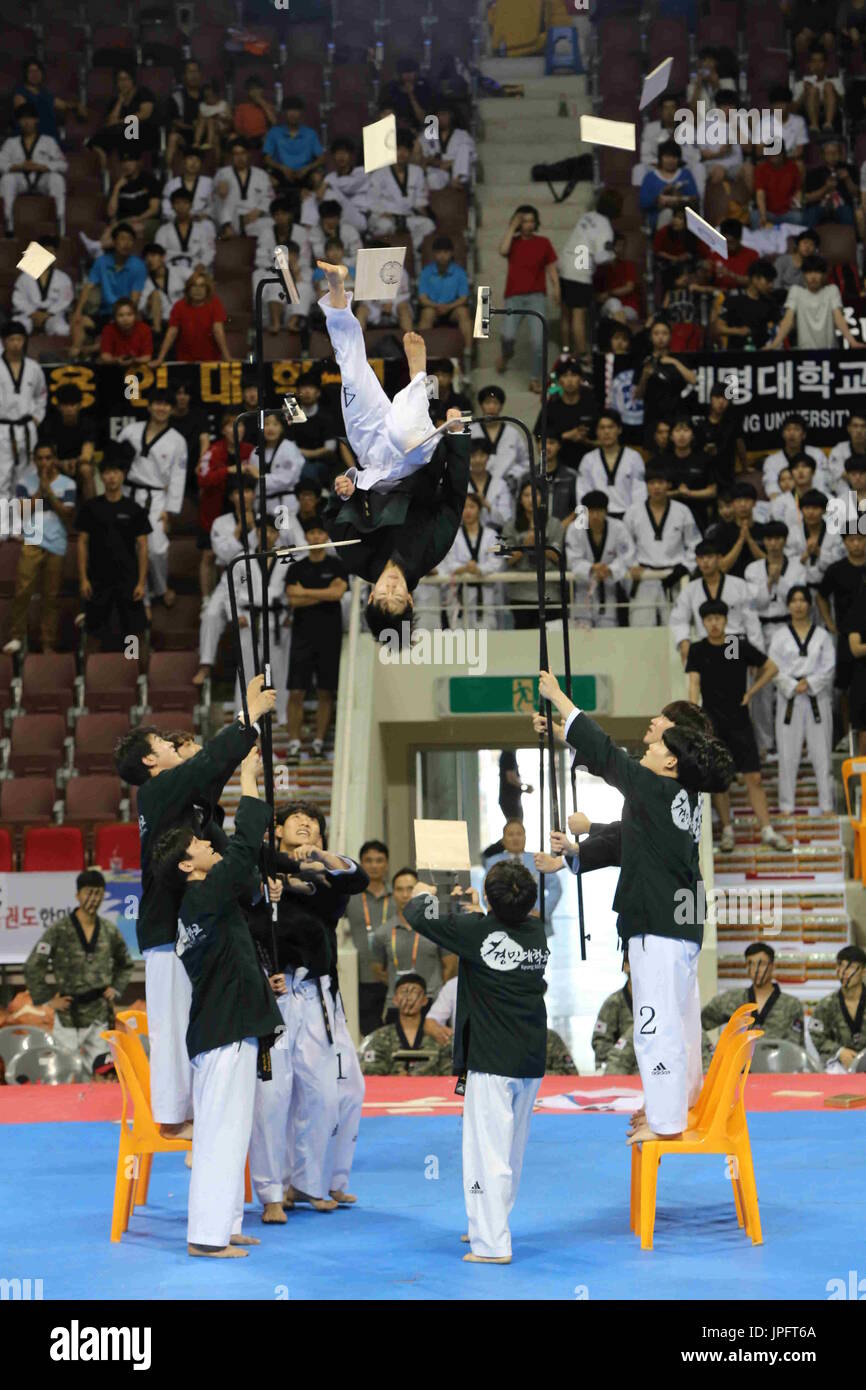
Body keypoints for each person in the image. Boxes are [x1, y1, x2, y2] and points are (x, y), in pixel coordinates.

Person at [538, 669, 734, 1144]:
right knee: (681, 1022)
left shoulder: (655, 787)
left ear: (672, 758)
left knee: (654, 1027)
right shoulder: (683, 794)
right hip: (681, 924)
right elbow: (634, 836)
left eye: (659, 740)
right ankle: (679, 1103)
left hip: (659, 925)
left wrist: (561, 700)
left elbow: (608, 755)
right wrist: (579, 852)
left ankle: (666, 1122)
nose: (647, 743)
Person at [116, 675, 275, 1140]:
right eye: (163, 742)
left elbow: (208, 779)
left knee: (191, 1017)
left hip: (187, 926)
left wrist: (248, 741)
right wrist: (247, 716)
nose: (171, 744)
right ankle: (170, 1117)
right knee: (169, 1021)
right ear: (150, 759)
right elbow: (204, 767)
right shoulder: (156, 791)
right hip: (166, 930)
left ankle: (196, 1106)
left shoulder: (177, 797)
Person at [154, 746, 282, 1258]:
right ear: (189, 865)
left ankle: (224, 1224)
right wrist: (249, 780)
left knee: (229, 1132)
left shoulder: (201, 904)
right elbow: (247, 847)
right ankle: (206, 1238)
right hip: (225, 1031)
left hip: (224, 1027)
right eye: (199, 843)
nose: (208, 843)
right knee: (222, 1135)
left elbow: (243, 875)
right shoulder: (204, 897)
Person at [316, 261, 470, 637]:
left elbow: (333, 512)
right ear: (411, 600)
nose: (390, 589)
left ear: (369, 597)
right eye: (397, 597)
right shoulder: (430, 552)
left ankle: (337, 292)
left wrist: (345, 486)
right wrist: (458, 437)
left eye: (382, 596)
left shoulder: (356, 556)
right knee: (405, 433)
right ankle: (418, 374)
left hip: (369, 455)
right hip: (413, 460)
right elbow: (454, 498)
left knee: (350, 372)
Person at [404, 865, 549, 1263]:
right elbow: (490, 930)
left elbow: (416, 913)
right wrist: (474, 911)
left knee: (487, 1151)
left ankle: (492, 1244)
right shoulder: (535, 932)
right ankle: (491, 1223)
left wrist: (424, 891)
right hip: (529, 1056)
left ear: (489, 898)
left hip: (491, 1058)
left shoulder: (477, 933)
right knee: (510, 1151)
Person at [261, 800, 367, 1211]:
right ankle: (288, 1186)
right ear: (277, 831)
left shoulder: (326, 879)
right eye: (296, 819)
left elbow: (354, 879)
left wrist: (320, 858)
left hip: (324, 997)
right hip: (283, 993)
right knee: (287, 1095)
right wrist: (278, 880)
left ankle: (327, 1178)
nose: (305, 823)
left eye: (312, 822)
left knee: (347, 1091)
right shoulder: (263, 875)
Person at [686, 599, 791, 851]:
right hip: (712, 722)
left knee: (753, 776)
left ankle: (767, 829)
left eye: (718, 619)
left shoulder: (734, 644)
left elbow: (771, 668)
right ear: (703, 622)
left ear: (725, 620)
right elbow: (694, 684)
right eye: (709, 619)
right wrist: (693, 718)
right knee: (721, 779)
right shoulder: (698, 649)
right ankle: (727, 830)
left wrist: (752, 691)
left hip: (740, 720)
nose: (714, 624)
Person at [23, 869, 132, 1073]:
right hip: (68, 1013)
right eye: (88, 892)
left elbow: (125, 963)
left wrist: (116, 988)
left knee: (101, 1072)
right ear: (77, 895)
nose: (93, 898)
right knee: (66, 1072)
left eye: (98, 893)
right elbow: (32, 966)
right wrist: (48, 1000)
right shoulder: (60, 930)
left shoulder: (109, 930)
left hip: (99, 1013)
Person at [768, 585, 836, 815]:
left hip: (817, 697)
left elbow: (829, 666)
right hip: (790, 699)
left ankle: (827, 805)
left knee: (822, 753)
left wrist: (810, 683)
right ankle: (786, 806)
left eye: (802, 600)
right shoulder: (779, 636)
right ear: (788, 606)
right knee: (787, 755)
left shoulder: (822, 635)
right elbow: (773, 668)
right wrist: (792, 684)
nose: (798, 605)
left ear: (809, 604)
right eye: (794, 600)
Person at [77, 447, 150, 659]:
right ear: (101, 476)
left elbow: (143, 546)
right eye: (107, 472)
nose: (112, 477)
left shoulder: (134, 509)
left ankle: (133, 670)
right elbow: (82, 543)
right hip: (97, 580)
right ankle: (92, 671)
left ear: (123, 475)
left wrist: (141, 582)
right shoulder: (91, 508)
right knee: (94, 629)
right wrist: (83, 579)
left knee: (132, 630)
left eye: (116, 472)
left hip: (128, 579)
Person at [3, 440, 75, 655]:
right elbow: (22, 513)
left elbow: (67, 514)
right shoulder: (25, 483)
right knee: (23, 590)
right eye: (40, 458)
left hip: (57, 541)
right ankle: (17, 637)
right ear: (34, 460)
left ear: (54, 459)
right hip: (33, 538)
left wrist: (49, 493)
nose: (44, 462)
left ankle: (47, 644)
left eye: (48, 457)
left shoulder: (68, 483)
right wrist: (40, 492)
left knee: (51, 596)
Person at [285, 521, 348, 761]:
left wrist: (306, 593)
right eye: (311, 531)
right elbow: (293, 599)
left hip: (329, 636)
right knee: (296, 691)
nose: (315, 535)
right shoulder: (297, 568)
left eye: (319, 531)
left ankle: (319, 742)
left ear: (326, 535)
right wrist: (323, 595)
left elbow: (337, 594)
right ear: (307, 536)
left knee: (325, 691)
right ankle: (293, 743)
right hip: (302, 635)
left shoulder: (337, 565)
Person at [120, 388, 188, 605]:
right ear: (148, 406)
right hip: (127, 493)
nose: (161, 408)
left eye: (166, 404)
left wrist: (169, 510)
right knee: (128, 545)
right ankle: (141, 592)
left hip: (156, 498)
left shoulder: (177, 441)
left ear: (172, 409)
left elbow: (178, 478)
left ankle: (160, 587)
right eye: (157, 404)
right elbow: (115, 460)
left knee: (156, 548)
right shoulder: (131, 431)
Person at [372, 868, 458, 1013]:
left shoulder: (436, 927)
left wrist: (430, 991)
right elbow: (379, 971)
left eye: (410, 889)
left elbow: (450, 967)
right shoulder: (382, 932)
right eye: (399, 889)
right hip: (397, 1004)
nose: (405, 895)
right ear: (393, 893)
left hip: (432, 1003)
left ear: (419, 892)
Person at [625, 466, 700, 627]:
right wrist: (632, 565)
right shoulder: (633, 512)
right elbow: (625, 545)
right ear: (646, 485)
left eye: (660, 482)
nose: (656, 487)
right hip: (645, 575)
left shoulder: (682, 511)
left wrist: (686, 567)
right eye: (652, 483)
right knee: (640, 628)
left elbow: (695, 544)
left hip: (674, 576)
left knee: (678, 629)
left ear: (668, 485)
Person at [496, 205, 560, 393]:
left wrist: (556, 287)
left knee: (539, 341)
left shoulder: (544, 242)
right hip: (513, 296)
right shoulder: (513, 242)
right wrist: (512, 226)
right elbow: (502, 250)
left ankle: (536, 379)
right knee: (507, 336)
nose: (528, 225)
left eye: (531, 221)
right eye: (524, 221)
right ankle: (506, 356)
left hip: (536, 297)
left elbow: (551, 267)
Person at [670, 538, 763, 664]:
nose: (705, 562)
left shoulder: (739, 585)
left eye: (709, 557)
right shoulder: (690, 590)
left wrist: (757, 654)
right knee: (706, 682)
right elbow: (678, 620)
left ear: (719, 558)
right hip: (706, 641)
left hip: (733, 640)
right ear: (697, 561)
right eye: (701, 558)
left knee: (733, 681)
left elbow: (751, 621)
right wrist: (683, 641)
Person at [702, 943, 805, 1045]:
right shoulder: (731, 1000)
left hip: (776, 1060)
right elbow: (695, 1025)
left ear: (772, 966)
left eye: (762, 964)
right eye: (751, 964)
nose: (756, 970)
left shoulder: (791, 1005)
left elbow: (797, 1048)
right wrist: (710, 1053)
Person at [69, 225, 147, 359]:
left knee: (115, 332)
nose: (126, 244)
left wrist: (125, 316)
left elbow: (134, 298)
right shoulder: (101, 262)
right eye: (122, 239)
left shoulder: (139, 266)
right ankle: (75, 358)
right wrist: (78, 312)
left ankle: (92, 350)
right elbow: (88, 287)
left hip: (124, 314)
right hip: (104, 312)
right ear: (114, 242)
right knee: (78, 322)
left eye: (130, 240)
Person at [557, 190, 618, 361]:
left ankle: (566, 351)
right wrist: (613, 257)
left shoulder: (588, 216)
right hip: (579, 268)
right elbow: (600, 256)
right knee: (578, 314)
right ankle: (583, 354)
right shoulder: (605, 227)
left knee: (565, 313)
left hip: (565, 262)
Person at [500, 476, 565, 630]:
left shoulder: (554, 524)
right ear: (520, 500)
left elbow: (557, 556)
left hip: (550, 593)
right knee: (524, 646)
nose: (531, 500)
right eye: (526, 495)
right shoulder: (510, 526)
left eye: (535, 495)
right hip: (520, 594)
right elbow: (507, 560)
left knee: (552, 644)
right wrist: (524, 546)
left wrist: (540, 544)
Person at [343, 840, 392, 1037]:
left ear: (386, 864)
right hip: (363, 977)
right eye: (368, 860)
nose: (374, 865)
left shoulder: (397, 895)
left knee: (392, 1031)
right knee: (368, 1031)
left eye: (379, 860)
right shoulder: (350, 896)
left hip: (393, 974)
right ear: (361, 864)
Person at [566, 489, 634, 629]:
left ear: (606, 511)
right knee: (581, 637)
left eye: (599, 511)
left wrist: (610, 569)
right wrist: (592, 568)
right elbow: (572, 559)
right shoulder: (574, 529)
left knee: (608, 633)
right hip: (583, 591)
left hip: (608, 590)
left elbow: (627, 556)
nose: (595, 516)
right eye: (591, 511)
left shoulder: (618, 528)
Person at [360, 974, 453, 1074]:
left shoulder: (439, 1036)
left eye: (415, 992)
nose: (408, 998)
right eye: (403, 992)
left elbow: (455, 1076)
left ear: (425, 1001)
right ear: (395, 1000)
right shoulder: (379, 1038)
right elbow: (371, 1075)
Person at [765, 254, 860, 350]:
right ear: (803, 274)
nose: (813, 276)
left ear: (824, 275)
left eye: (817, 272)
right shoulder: (796, 291)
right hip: (805, 352)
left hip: (831, 351)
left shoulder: (832, 290)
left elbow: (838, 318)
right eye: (809, 272)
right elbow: (788, 320)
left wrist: (853, 342)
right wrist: (774, 345)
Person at [440, 491, 505, 630]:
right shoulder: (453, 536)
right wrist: (465, 568)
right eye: (464, 507)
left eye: (472, 507)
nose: (467, 511)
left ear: (479, 509)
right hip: (460, 594)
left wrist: (478, 569)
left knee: (487, 639)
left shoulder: (491, 535)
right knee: (460, 641)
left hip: (484, 594)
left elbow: (496, 562)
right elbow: (448, 562)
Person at [0, 101, 66, 236]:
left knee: (57, 179)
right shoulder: (11, 143)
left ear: (36, 120)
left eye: (30, 118)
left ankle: (59, 219)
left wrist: (43, 166)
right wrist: (19, 166)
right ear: (19, 122)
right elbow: (1, 163)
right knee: (6, 179)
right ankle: (9, 223)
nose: (27, 122)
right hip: (20, 179)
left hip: (42, 179)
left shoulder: (48, 142)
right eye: (23, 119)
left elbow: (63, 165)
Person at [481, 818, 563, 925]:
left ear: (525, 837)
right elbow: (486, 891)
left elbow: (555, 888)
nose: (515, 838)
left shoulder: (538, 859)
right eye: (510, 834)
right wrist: (499, 912)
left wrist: (541, 911)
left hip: (534, 920)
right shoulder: (493, 862)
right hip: (502, 922)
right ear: (503, 840)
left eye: (519, 834)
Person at [0, 322, 46, 499]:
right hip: (2, 429)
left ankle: (29, 526)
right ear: (4, 341)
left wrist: (36, 418)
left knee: (28, 478)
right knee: (2, 477)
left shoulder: (34, 367)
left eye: (19, 339)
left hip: (27, 428)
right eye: (12, 339)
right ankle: (3, 525)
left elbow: (41, 396)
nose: (16, 343)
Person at [633, 318, 697, 445]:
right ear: (651, 337)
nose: (660, 337)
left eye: (664, 333)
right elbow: (637, 396)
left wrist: (674, 362)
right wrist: (645, 376)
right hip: (653, 415)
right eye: (656, 333)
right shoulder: (644, 362)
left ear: (670, 336)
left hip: (676, 414)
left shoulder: (679, 358)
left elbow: (693, 380)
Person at [577, 409, 646, 521]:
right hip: (597, 519)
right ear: (597, 432)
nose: (606, 432)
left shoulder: (634, 457)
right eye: (602, 428)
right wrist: (583, 523)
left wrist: (637, 522)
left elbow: (640, 493)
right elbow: (582, 493)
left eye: (611, 427)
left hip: (627, 517)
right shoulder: (588, 460)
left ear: (619, 429)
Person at [152, 269, 230, 367]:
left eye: (202, 286)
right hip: (185, 362)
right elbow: (171, 333)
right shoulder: (179, 306)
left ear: (208, 289)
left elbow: (218, 331)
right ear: (188, 288)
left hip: (211, 361)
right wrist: (160, 359)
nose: (198, 290)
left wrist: (227, 357)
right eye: (194, 286)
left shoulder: (215, 304)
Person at [87, 67, 159, 171]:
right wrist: (120, 101)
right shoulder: (115, 100)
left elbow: (144, 114)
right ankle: (104, 167)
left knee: (130, 127)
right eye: (120, 80)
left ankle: (129, 165)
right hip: (122, 134)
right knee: (100, 138)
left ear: (133, 81)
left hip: (144, 131)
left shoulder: (143, 93)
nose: (124, 83)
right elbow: (111, 122)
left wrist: (121, 121)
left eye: (126, 79)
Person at [809, 945, 866, 1071]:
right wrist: (839, 1051)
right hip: (838, 1066)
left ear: (863, 971)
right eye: (840, 965)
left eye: (850, 967)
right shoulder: (826, 1005)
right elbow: (817, 1036)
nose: (844, 972)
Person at [155, 188, 217, 299]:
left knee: (201, 282)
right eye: (177, 203)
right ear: (172, 206)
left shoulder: (202, 229)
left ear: (191, 205)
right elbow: (158, 254)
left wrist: (202, 265)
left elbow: (209, 251)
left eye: (185, 203)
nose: (181, 207)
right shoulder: (163, 230)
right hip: (172, 269)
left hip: (195, 267)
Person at [11, 235, 73, 338]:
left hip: (53, 316)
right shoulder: (25, 277)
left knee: (62, 330)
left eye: (51, 252)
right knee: (16, 328)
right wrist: (33, 313)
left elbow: (65, 301)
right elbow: (19, 299)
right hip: (28, 314)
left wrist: (48, 314)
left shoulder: (63, 278)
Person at [417, 235, 472, 350]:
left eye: (446, 252)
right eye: (439, 252)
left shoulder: (459, 272)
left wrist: (448, 306)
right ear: (434, 254)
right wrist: (437, 306)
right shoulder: (426, 272)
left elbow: (463, 298)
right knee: (427, 314)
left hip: (453, 309)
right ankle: (420, 352)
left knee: (463, 312)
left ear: (451, 253)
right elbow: (422, 298)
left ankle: (468, 349)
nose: (442, 256)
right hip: (433, 307)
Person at [213, 137, 275, 238]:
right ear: (231, 156)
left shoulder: (261, 175)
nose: (240, 157)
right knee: (223, 190)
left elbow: (269, 197)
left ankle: (275, 254)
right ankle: (226, 227)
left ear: (249, 154)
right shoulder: (223, 174)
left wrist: (259, 211)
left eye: (243, 153)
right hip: (232, 218)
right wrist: (226, 223)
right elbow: (217, 201)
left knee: (273, 226)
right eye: (236, 154)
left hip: (255, 217)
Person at [471, 384, 530, 491]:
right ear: (481, 405)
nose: (491, 407)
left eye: (495, 403)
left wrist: (512, 476)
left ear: (501, 406)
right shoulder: (471, 431)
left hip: (506, 488)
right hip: (475, 487)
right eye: (487, 402)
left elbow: (525, 463)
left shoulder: (513, 434)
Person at [712, 260, 779, 351]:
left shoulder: (771, 303)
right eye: (768, 281)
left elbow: (777, 327)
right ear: (755, 279)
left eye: (772, 282)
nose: (771, 285)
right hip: (736, 354)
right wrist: (738, 331)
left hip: (762, 354)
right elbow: (718, 328)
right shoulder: (733, 300)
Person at [263, 95, 325, 191]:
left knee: (317, 177)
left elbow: (321, 158)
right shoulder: (274, 132)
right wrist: (282, 168)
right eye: (289, 110)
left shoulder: (310, 133)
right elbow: (267, 159)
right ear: (284, 113)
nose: (293, 114)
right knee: (267, 180)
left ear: (301, 113)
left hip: (304, 173)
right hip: (281, 172)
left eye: (296, 110)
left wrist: (307, 168)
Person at [103, 145, 160, 248]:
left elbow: (154, 209)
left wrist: (138, 218)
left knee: (133, 228)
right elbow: (111, 213)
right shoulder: (118, 184)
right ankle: (100, 248)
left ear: (138, 162)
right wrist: (116, 189)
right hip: (125, 222)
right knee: (109, 230)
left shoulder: (149, 180)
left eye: (130, 161)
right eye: (124, 162)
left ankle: (99, 247)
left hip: (147, 221)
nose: (127, 165)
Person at [762, 414, 830, 499]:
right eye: (788, 429)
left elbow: (824, 481)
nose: (792, 433)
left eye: (796, 429)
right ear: (783, 434)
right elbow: (771, 488)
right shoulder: (771, 461)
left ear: (804, 434)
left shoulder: (817, 454)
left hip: (815, 501)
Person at [638, 140, 700, 233]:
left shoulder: (686, 174)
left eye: (674, 157)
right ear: (660, 158)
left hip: (683, 218)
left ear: (678, 159)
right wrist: (659, 197)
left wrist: (678, 198)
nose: (670, 160)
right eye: (667, 157)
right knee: (667, 213)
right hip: (657, 220)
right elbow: (643, 203)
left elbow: (695, 198)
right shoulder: (650, 177)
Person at [162, 144, 214, 224]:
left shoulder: (209, 183)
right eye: (190, 159)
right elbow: (166, 208)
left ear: (200, 164)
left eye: (197, 160)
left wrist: (202, 215)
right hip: (176, 221)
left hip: (201, 221)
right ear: (184, 162)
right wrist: (180, 217)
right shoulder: (171, 184)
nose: (193, 163)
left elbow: (213, 205)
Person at [98, 297, 153, 366]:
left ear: (135, 315)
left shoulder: (144, 329)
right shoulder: (108, 329)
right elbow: (105, 356)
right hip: (114, 367)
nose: (125, 319)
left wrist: (134, 360)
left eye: (129, 314)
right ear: (115, 317)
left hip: (137, 367)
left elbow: (147, 357)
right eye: (121, 315)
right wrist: (116, 360)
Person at [232, 75, 278, 148]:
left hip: (263, 138)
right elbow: (237, 128)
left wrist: (263, 104)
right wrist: (245, 136)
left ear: (262, 90)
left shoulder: (268, 106)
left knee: (268, 139)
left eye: (258, 88)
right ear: (248, 92)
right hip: (246, 139)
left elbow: (274, 123)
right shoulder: (241, 108)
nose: (255, 92)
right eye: (252, 89)